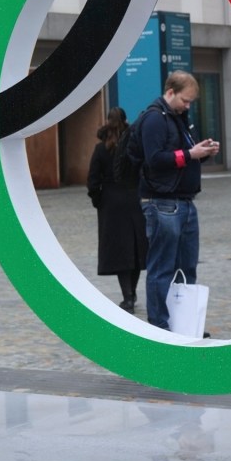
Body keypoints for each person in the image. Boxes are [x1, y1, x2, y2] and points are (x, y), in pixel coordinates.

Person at [135, 71, 220, 330]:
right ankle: (160, 327)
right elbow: (155, 159)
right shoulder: (154, 119)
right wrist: (190, 154)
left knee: (186, 267)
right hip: (162, 202)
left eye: (191, 102)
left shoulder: (178, 118)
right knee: (162, 269)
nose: (188, 106)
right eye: (185, 100)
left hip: (184, 201)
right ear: (170, 92)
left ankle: (184, 323)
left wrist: (201, 152)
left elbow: (181, 155)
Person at [89, 107, 148, 314]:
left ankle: (128, 297)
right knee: (135, 248)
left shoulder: (100, 149)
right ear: (126, 120)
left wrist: (99, 201)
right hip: (133, 199)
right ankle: (131, 293)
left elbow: (93, 181)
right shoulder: (133, 146)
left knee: (120, 251)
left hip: (111, 203)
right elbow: (143, 170)